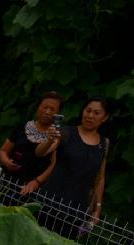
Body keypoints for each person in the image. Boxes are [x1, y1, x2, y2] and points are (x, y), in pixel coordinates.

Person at [23, 96, 111, 237]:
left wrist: (97, 208)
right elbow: (40, 152)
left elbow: (100, 177)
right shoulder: (66, 133)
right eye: (88, 110)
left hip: (77, 208)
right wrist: (48, 140)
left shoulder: (104, 143)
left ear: (105, 117)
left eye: (96, 113)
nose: (90, 115)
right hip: (51, 200)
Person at [0, 91, 63, 203]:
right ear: (38, 107)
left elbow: (53, 164)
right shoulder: (22, 127)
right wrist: (6, 161)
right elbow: (3, 151)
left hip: (31, 188)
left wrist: (37, 182)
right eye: (44, 107)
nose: (47, 112)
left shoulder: (57, 135)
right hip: (8, 181)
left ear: (58, 114)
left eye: (52, 109)